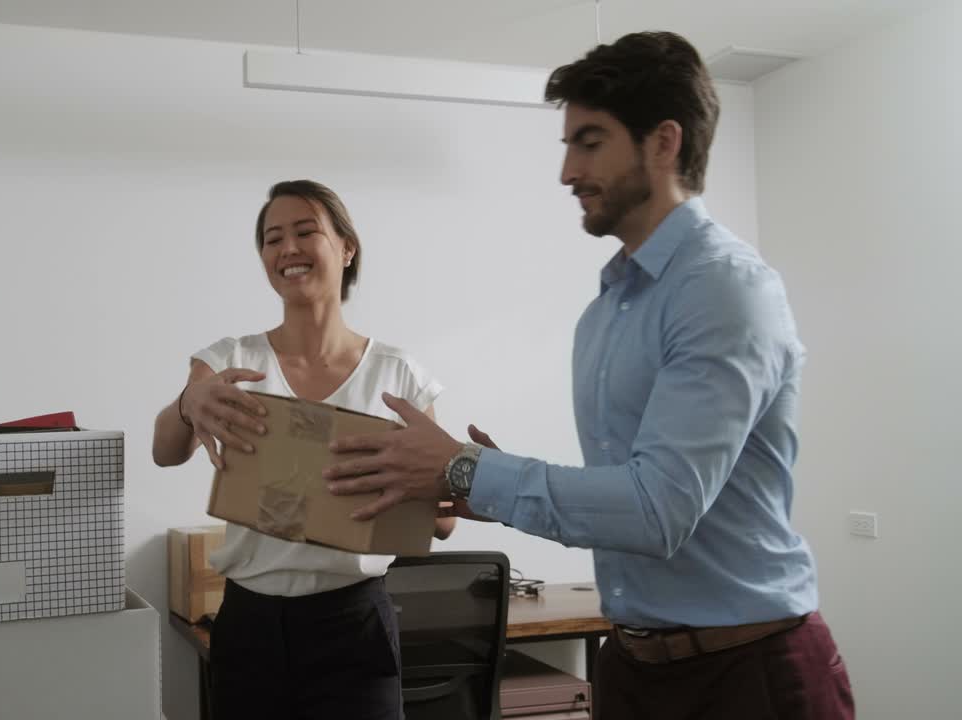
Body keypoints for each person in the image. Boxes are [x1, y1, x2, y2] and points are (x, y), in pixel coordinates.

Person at [323, 32, 855, 720]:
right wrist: (481, 482)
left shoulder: (724, 290)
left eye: (590, 141)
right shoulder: (604, 315)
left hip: (748, 674)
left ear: (664, 143)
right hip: (632, 667)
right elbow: (625, 488)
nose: (567, 171)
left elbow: (656, 508)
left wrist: (466, 469)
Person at [152, 179, 455, 719]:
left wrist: (424, 482)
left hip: (353, 622)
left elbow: (442, 522)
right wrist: (186, 403)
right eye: (272, 239)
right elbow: (165, 451)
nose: (286, 249)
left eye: (304, 231)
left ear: (346, 247)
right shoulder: (231, 359)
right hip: (250, 623)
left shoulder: (397, 373)